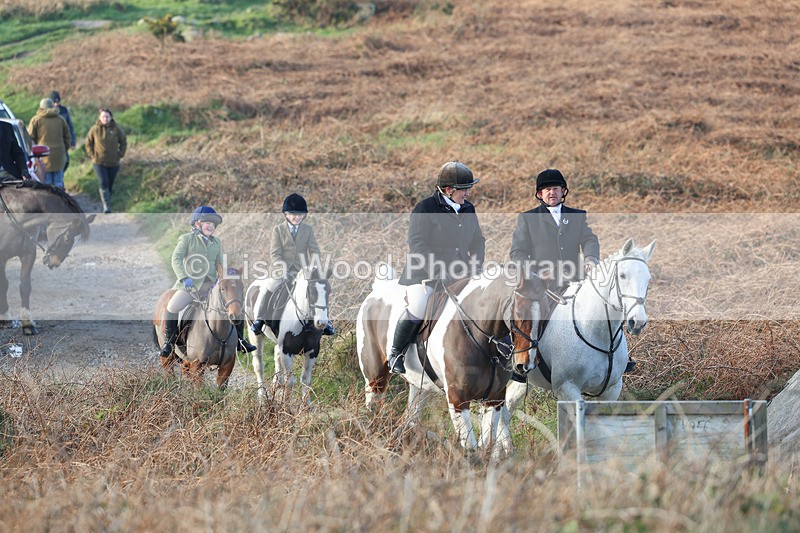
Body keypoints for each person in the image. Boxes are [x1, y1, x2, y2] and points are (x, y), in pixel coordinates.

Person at [509, 168, 635, 372]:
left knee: (606, 304)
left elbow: (589, 239)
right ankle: (521, 358)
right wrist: (532, 273)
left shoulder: (577, 216)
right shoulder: (527, 218)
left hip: (575, 279)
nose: (552, 192)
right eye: (547, 189)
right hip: (543, 284)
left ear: (563, 191)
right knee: (528, 315)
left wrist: (591, 258)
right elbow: (517, 252)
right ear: (540, 194)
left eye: (556, 189)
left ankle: (619, 355)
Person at [387, 161, 486, 374]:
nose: (468, 193)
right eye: (464, 189)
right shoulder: (425, 208)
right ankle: (396, 353)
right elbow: (417, 244)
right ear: (449, 190)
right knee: (418, 307)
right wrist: (437, 269)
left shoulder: (468, 208)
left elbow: (478, 240)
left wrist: (476, 266)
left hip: (461, 274)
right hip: (423, 274)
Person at [159, 206, 256, 357]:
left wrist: (227, 276)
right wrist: (184, 277)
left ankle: (240, 340)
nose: (211, 226)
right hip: (190, 286)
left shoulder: (216, 242)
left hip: (211, 286)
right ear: (197, 224)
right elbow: (176, 259)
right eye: (207, 223)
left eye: (213, 224)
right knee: (172, 306)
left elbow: (219, 264)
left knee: (235, 303)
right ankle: (169, 342)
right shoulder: (186, 239)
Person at [250, 193, 334, 336]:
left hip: (304, 270)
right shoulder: (278, 230)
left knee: (319, 289)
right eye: (293, 214)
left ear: (304, 215)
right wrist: (281, 267)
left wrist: (314, 266)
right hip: (282, 269)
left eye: (300, 214)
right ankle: (260, 318)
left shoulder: (308, 230)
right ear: (286, 215)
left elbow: (314, 250)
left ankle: (326, 321)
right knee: (270, 286)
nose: (296, 217)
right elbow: (275, 253)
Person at [85, 108, 127, 214]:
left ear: (111, 117)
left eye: (107, 116)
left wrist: (120, 154)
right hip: (98, 162)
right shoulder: (94, 129)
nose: (105, 118)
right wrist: (92, 155)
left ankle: (108, 201)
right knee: (103, 182)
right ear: (99, 117)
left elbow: (123, 142)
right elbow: (88, 143)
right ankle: (106, 206)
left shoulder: (117, 129)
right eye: (103, 116)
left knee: (110, 184)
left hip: (113, 162)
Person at [27, 98, 70, 188]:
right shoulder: (60, 119)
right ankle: (59, 201)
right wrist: (64, 149)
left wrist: (33, 154)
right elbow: (67, 137)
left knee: (46, 183)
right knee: (58, 182)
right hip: (59, 155)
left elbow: (30, 139)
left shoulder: (36, 120)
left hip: (42, 156)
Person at [49, 91, 76, 170]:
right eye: (54, 102)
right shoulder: (46, 111)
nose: (56, 104)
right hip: (50, 142)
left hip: (63, 142)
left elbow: (70, 127)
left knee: (66, 162)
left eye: (58, 102)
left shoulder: (64, 110)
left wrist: (73, 142)